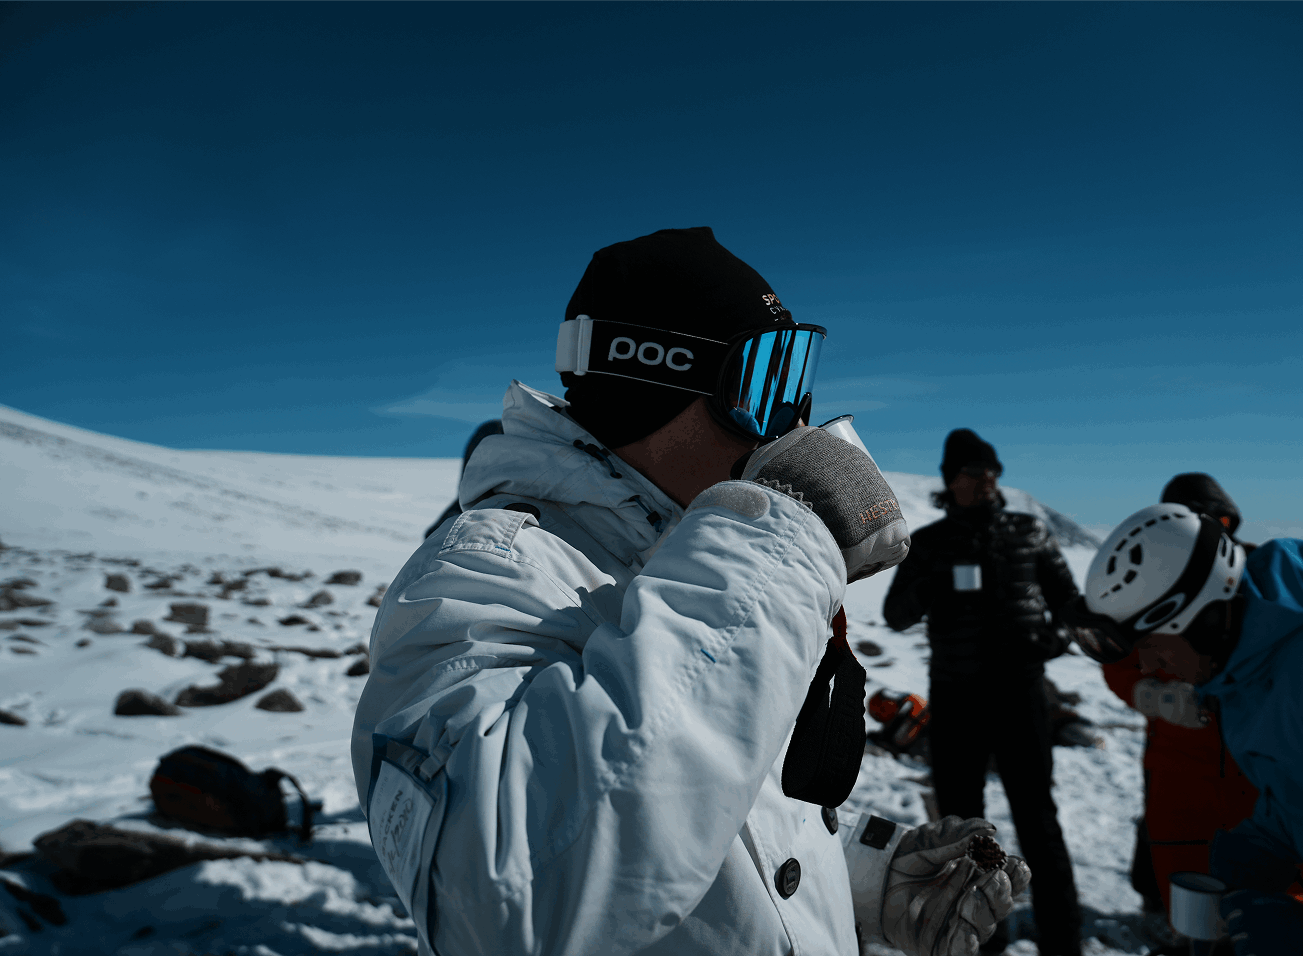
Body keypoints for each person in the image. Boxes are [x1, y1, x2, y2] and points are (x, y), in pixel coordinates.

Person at [351, 227, 1030, 956]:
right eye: (766, 380)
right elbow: (507, 901)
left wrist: (864, 877)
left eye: (798, 372)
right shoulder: (479, 578)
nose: (795, 419)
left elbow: (700, 786)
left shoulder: (693, 554)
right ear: (651, 378)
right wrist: (784, 541)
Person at [1067, 504, 1303, 956]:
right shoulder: (1244, 675)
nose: (1147, 666)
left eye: (1152, 645)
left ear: (1201, 619)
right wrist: (1260, 843)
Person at [883, 429, 1084, 956]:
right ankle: (975, 939)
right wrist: (933, 585)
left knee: (1037, 818)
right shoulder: (930, 543)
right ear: (952, 482)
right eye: (975, 471)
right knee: (963, 829)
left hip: (1021, 695)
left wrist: (1055, 639)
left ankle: (1064, 941)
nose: (989, 479)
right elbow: (894, 614)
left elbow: (1070, 603)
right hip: (955, 701)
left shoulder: (1030, 533)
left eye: (993, 470)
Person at [1101, 474, 1303, 945]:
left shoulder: (1263, 587)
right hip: (1178, 768)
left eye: (1215, 523)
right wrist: (1147, 694)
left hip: (1257, 769)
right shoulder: (1146, 582)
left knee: (1277, 889)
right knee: (1187, 893)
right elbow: (1116, 656)